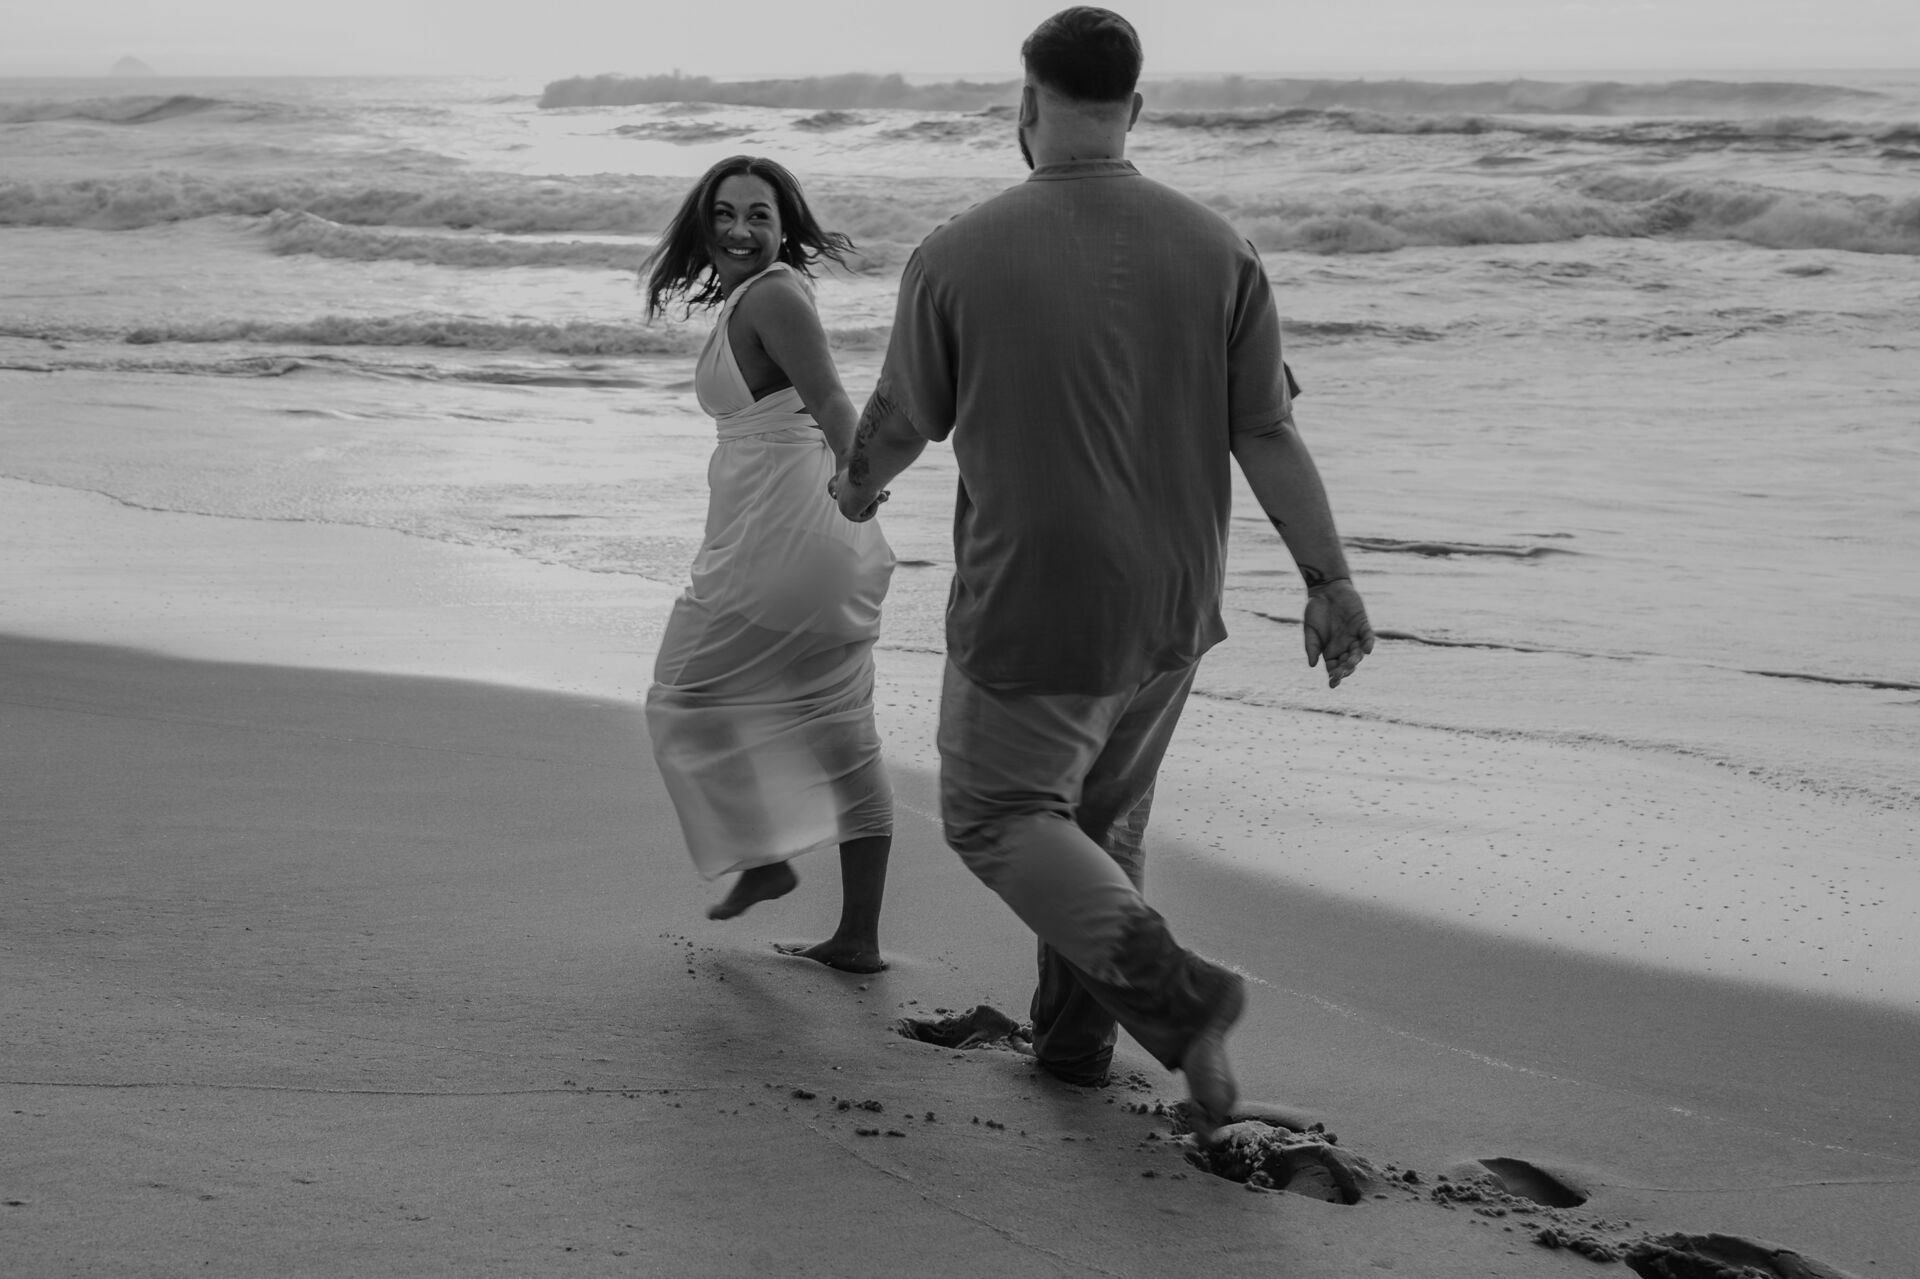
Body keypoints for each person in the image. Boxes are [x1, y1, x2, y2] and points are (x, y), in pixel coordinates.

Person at [831, 8, 1375, 1131]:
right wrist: (1329, 580)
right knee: (1097, 827)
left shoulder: (957, 250)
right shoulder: (1219, 246)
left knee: (996, 815)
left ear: (1025, 106)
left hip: (1038, 600)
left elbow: (896, 420)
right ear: (1135, 108)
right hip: (1173, 605)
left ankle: (1182, 1002)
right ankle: (1074, 1049)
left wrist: (853, 485)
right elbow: (1264, 431)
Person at [643, 156, 896, 974]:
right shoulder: (763, 297)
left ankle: (761, 855)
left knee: (681, 691)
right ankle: (858, 938)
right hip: (809, 530)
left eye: (759, 214)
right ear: (702, 221)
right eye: (724, 214)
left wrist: (861, 480)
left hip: (783, 531)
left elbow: (832, 401)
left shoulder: (778, 294)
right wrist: (855, 494)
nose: (740, 230)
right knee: (841, 729)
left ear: (785, 225)